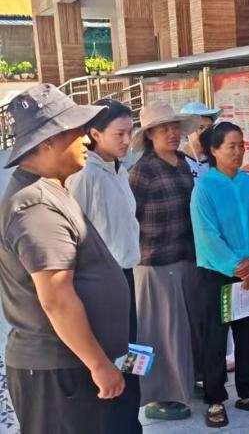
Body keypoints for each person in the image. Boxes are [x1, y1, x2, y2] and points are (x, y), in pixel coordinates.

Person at [0, 84, 130, 434]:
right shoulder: (35, 205)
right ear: (48, 141)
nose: (86, 140)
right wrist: (98, 363)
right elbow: (57, 298)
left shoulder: (51, 187)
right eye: (76, 132)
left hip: (68, 369)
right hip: (58, 372)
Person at [189, 121, 249, 427]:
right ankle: (214, 398)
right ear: (214, 150)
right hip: (217, 273)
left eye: (241, 145)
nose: (238, 151)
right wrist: (236, 267)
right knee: (215, 338)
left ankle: (248, 392)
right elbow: (207, 236)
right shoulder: (204, 188)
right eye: (231, 146)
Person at [66, 99, 142, 434]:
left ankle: (130, 423)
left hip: (127, 276)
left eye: (130, 132)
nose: (127, 140)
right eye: (119, 133)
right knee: (112, 360)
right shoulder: (85, 175)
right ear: (94, 134)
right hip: (101, 285)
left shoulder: (119, 171)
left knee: (130, 356)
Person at [129, 101, 200, 421]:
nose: (172, 133)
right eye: (163, 129)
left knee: (184, 330)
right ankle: (155, 396)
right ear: (149, 134)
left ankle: (183, 384)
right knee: (155, 332)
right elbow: (130, 219)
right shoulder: (141, 171)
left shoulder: (184, 162)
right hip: (154, 263)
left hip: (186, 257)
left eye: (175, 128)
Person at [179, 102, 236, 378]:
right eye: (198, 128)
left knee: (224, 303)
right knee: (199, 307)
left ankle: (225, 355)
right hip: (191, 247)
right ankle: (200, 364)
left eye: (207, 127)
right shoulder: (180, 162)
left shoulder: (217, 162)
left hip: (223, 246)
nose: (203, 133)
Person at [180, 101, 222, 180]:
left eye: (209, 127)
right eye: (201, 127)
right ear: (187, 131)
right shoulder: (178, 160)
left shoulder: (217, 157)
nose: (206, 132)